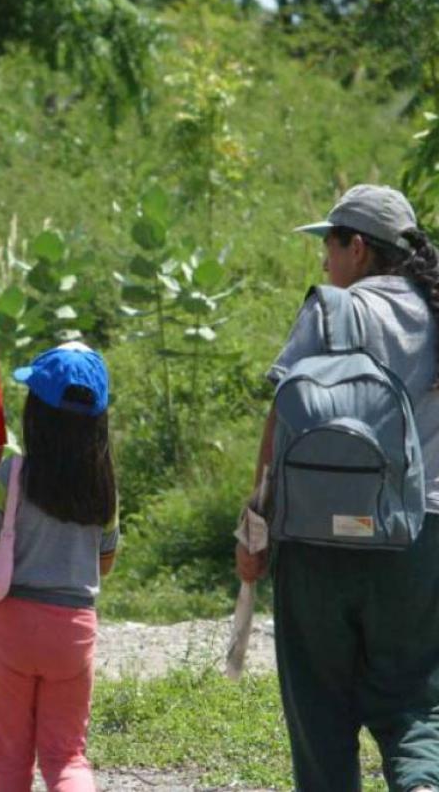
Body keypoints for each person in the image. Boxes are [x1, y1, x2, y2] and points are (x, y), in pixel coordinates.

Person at [236, 184, 439, 792]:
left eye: (328, 243)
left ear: (357, 247)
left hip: (319, 539)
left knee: (319, 711)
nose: (324, 259)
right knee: (416, 703)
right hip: (421, 536)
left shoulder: (334, 309)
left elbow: (281, 420)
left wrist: (255, 528)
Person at [0, 342, 118, 792]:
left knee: (10, 761)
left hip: (14, 625)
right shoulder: (104, 486)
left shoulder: (13, 473)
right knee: (67, 756)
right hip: (73, 630)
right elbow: (105, 563)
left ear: (37, 414)